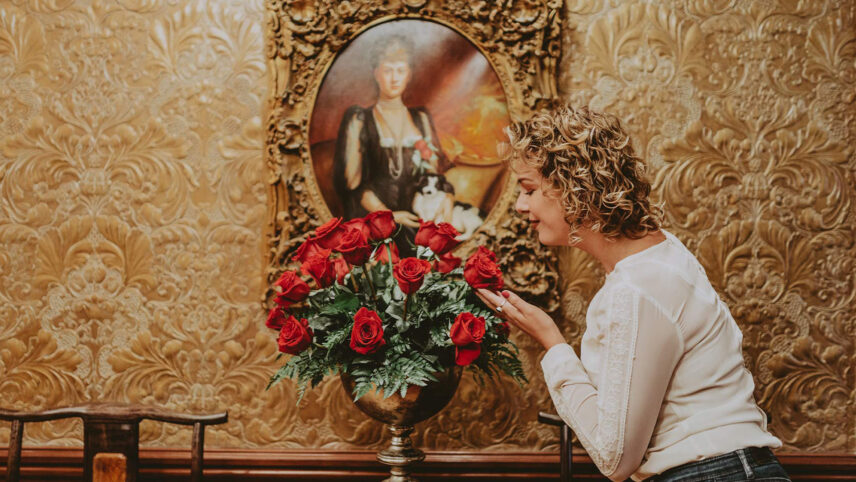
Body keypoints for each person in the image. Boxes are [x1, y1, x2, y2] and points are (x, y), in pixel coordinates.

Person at [476, 105, 789, 481]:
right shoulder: (660, 255)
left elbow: (615, 459)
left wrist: (552, 343)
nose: (520, 205)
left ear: (574, 188)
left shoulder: (637, 288)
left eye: (529, 189)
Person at [332, 34, 453, 249]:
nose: (394, 78)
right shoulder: (359, 119)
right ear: (376, 74)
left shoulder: (421, 118)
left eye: (400, 71)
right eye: (388, 71)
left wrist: (447, 201)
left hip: (417, 216)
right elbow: (352, 186)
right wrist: (390, 216)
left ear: (409, 75)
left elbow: (435, 174)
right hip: (375, 219)